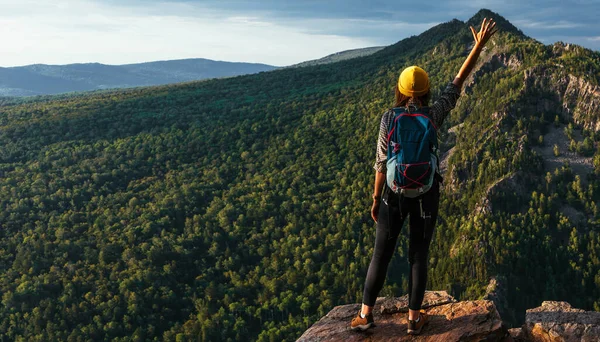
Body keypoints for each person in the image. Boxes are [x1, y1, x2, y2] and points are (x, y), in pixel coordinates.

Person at [350, 18, 498, 335]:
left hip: (392, 195)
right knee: (419, 255)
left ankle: (365, 316)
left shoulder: (389, 117)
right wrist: (478, 47)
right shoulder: (434, 113)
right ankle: (415, 320)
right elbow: (458, 82)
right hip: (425, 196)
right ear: (427, 90)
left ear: (401, 91)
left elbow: (380, 163)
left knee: (381, 255)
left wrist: (376, 199)